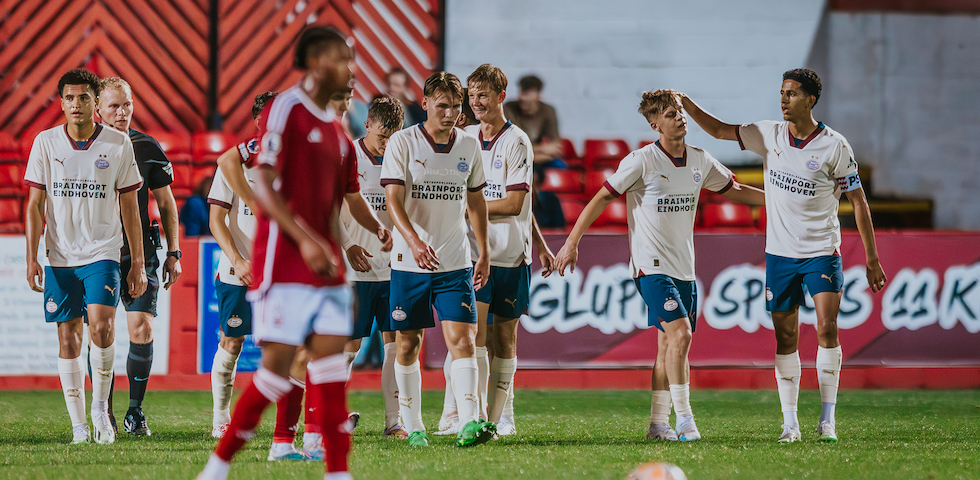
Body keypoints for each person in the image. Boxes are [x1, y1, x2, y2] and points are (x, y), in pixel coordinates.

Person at [197, 26, 390, 480]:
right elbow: (261, 177)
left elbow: (348, 198)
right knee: (273, 375)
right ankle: (218, 465)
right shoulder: (284, 109)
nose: (352, 67)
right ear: (319, 60)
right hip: (283, 266)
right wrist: (303, 237)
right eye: (345, 57)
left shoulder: (339, 131)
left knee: (330, 368)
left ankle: (336, 473)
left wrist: (378, 227)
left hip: (329, 271)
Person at [680, 68, 887, 443]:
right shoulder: (767, 134)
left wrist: (872, 258)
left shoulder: (835, 146)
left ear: (810, 99)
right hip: (779, 254)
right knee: (785, 337)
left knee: (827, 328)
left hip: (822, 251)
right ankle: (790, 423)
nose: (784, 99)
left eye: (792, 93)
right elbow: (718, 130)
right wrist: (686, 103)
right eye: (782, 92)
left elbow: (858, 201)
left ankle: (827, 421)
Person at [553, 89, 765, 442]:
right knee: (680, 334)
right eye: (670, 113)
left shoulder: (700, 160)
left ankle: (656, 424)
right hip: (650, 266)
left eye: (680, 111)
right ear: (655, 124)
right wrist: (571, 243)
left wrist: (784, 200)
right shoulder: (641, 161)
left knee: (668, 346)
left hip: (684, 268)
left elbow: (737, 190)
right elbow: (601, 196)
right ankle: (685, 419)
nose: (680, 117)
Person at [24, 68, 147, 445]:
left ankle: (100, 413)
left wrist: (138, 261)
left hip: (103, 252)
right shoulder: (45, 143)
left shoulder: (118, 143)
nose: (76, 104)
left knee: (103, 328)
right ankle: (79, 425)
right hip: (59, 255)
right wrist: (31, 257)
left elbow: (130, 204)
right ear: (61, 102)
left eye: (83, 98)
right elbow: (34, 205)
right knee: (69, 339)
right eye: (69, 98)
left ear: (95, 102)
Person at [436, 64, 555, 437]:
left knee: (505, 339)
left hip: (510, 255)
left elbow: (519, 203)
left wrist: (538, 244)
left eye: (483, 95)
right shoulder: (464, 136)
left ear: (501, 96)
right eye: (472, 96)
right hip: (471, 255)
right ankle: (456, 414)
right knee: (469, 336)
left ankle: (503, 415)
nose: (476, 102)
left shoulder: (517, 141)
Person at [380, 71, 494, 448]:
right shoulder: (402, 141)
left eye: (455, 107)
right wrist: (411, 241)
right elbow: (393, 200)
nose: (449, 113)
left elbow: (476, 202)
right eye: (441, 105)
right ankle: (414, 426)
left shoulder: (469, 145)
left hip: (455, 262)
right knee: (408, 343)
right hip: (409, 263)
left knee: (463, 339)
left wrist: (484, 251)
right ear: (425, 103)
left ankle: (468, 421)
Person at [96, 76, 183, 437]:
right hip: (99, 254)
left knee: (142, 328)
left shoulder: (147, 147)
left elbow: (166, 203)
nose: (121, 112)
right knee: (101, 333)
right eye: (114, 106)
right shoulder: (86, 148)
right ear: (98, 108)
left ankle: (134, 412)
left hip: (142, 254)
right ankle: (104, 413)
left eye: (127, 105)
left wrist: (174, 252)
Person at [338, 95, 408, 439]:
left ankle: (394, 421)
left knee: (395, 345)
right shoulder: (346, 155)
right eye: (383, 136)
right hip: (355, 267)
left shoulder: (403, 156)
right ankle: (330, 413)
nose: (387, 144)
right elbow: (329, 207)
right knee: (348, 347)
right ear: (368, 125)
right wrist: (347, 244)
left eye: (394, 137)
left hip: (395, 269)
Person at [207, 91, 276, 440]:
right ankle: (222, 417)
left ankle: (299, 421)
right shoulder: (236, 163)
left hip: (278, 272)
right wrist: (237, 259)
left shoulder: (294, 162)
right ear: (256, 121)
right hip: (238, 270)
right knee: (232, 341)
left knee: (288, 346)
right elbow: (216, 218)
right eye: (264, 119)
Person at [503, 75, 564, 168]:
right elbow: (510, 148)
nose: (521, 97)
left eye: (526, 93)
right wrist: (542, 149)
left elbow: (556, 147)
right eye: (521, 92)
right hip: (517, 159)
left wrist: (531, 154)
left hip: (534, 158)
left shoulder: (547, 111)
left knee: (560, 167)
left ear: (537, 96)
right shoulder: (508, 109)